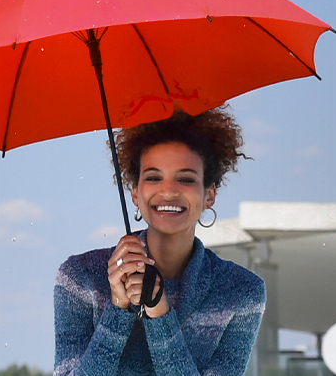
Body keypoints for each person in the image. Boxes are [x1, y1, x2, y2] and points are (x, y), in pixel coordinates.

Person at [54, 108, 266, 376]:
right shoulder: (79, 277)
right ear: (135, 193)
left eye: (186, 179)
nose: (168, 191)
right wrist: (118, 307)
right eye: (153, 177)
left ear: (209, 194)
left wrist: (159, 311)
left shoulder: (240, 291)